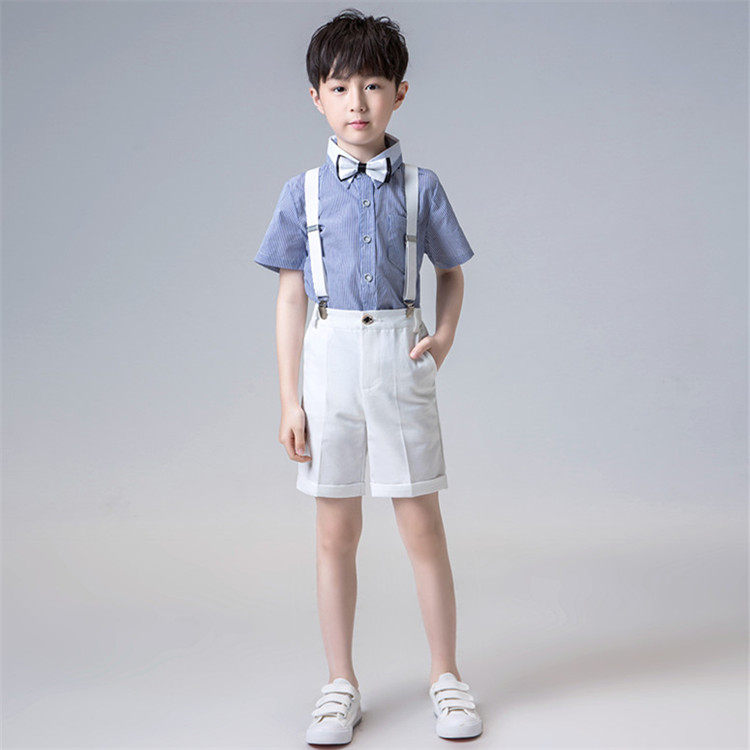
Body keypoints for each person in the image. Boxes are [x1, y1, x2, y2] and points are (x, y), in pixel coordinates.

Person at [254, 8, 482, 744]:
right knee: (334, 532)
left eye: (374, 85)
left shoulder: (421, 187)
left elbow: (451, 271)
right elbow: (291, 296)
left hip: (398, 353)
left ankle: (446, 677)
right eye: (340, 87)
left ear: (400, 94)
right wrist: (289, 399)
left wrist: (442, 338)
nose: (357, 102)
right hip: (328, 360)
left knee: (422, 526)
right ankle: (339, 683)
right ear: (316, 98)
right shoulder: (302, 193)